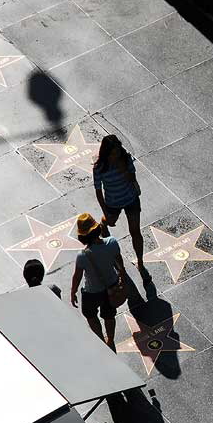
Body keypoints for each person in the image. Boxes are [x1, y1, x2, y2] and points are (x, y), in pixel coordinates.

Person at [93, 135, 148, 279]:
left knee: (135, 231)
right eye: (113, 154)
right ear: (106, 153)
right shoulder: (99, 168)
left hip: (131, 199)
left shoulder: (125, 159)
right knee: (108, 220)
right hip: (112, 203)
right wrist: (105, 210)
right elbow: (98, 192)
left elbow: (133, 179)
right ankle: (103, 224)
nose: (116, 156)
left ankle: (140, 261)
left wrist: (124, 169)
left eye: (117, 152)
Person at [70, 213, 126, 352]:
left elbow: (77, 276)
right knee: (109, 315)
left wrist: (73, 292)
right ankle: (111, 340)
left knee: (90, 314)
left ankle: (101, 340)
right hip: (111, 286)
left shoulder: (82, 256)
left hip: (92, 292)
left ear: (82, 237)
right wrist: (121, 276)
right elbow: (119, 262)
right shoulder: (112, 242)